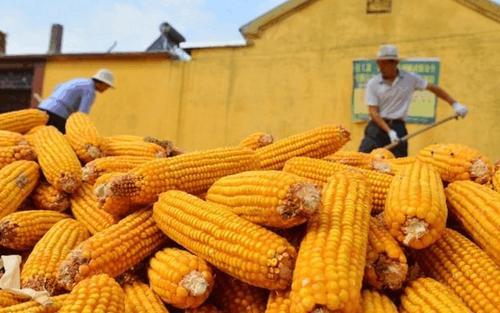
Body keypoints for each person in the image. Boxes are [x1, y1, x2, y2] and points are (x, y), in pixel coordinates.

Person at [358, 44, 467, 157]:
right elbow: (373, 112)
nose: (380, 67)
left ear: (394, 63)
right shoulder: (373, 83)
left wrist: (455, 104)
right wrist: (389, 131)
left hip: (398, 127)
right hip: (376, 128)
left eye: (384, 64)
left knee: (399, 165)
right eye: (379, 63)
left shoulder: (409, 79)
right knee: (363, 158)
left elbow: (433, 88)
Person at [38, 69, 115, 133]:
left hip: (43, 107)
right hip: (57, 115)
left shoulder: (79, 81)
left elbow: (57, 87)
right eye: (107, 86)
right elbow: (82, 113)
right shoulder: (90, 90)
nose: (106, 89)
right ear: (101, 83)